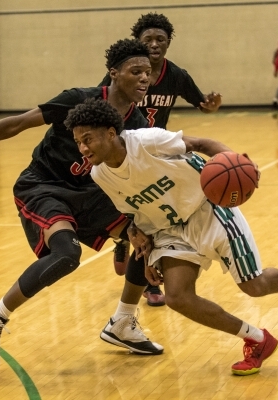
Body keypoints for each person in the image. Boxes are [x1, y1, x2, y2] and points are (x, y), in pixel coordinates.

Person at [0, 39, 164, 376]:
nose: (145, 78)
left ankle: (123, 322)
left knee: (149, 238)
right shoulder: (78, 100)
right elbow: (16, 123)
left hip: (91, 193)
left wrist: (136, 220)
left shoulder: (137, 121)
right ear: (113, 73)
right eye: (136, 71)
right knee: (66, 254)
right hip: (44, 187)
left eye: (148, 72)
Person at [66, 98, 278, 375]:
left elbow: (202, 144)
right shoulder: (101, 175)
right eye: (78, 143)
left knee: (254, 286)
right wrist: (146, 253)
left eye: (88, 139)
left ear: (111, 133)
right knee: (177, 296)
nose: (83, 148)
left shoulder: (146, 141)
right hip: (170, 228)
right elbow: (135, 214)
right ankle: (257, 339)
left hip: (209, 209)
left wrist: (239, 162)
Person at [101, 12, 222, 306]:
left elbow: (202, 104)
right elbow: (102, 106)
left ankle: (145, 272)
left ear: (168, 44)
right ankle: (129, 244)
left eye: (161, 40)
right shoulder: (123, 72)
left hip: (155, 151)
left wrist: (210, 106)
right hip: (123, 150)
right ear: (138, 43)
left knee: (154, 215)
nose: (154, 44)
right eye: (148, 40)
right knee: (141, 214)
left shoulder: (176, 75)